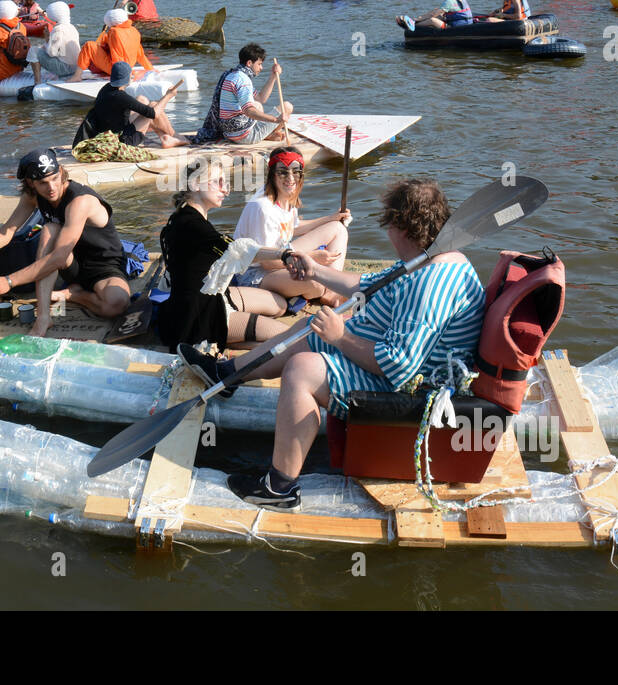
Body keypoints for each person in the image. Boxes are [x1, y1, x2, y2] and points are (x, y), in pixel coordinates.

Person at [179, 179, 487, 509]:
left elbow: (398, 366)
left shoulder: (432, 283)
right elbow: (368, 284)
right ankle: (227, 374)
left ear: (401, 226)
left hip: (416, 391)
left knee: (302, 370)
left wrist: (341, 336)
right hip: (404, 368)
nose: (388, 234)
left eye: (389, 225)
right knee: (309, 327)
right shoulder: (431, 256)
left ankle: (279, 488)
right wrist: (314, 272)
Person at [0, 150, 130, 336]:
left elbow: (58, 258)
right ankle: (44, 317)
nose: (51, 187)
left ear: (61, 172)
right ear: (31, 183)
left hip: (104, 266)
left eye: (55, 178)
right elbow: (8, 230)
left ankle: (72, 295)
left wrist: (9, 281)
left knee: (116, 305)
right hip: (73, 266)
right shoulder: (33, 197)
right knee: (50, 229)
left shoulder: (81, 201)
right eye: (43, 183)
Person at [157, 155, 290, 353]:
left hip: (204, 298)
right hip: (198, 316)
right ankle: (223, 341)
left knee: (279, 305)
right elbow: (238, 250)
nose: (226, 189)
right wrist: (285, 255)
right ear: (195, 184)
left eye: (225, 182)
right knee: (287, 336)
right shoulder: (192, 225)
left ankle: (232, 340)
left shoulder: (183, 216)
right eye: (217, 182)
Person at [232, 147, 350, 305]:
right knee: (314, 281)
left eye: (295, 171)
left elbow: (293, 227)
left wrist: (331, 218)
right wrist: (310, 257)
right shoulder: (262, 208)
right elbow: (267, 263)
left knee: (338, 228)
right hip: (255, 275)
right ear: (272, 173)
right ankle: (324, 288)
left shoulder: (286, 194)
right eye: (283, 171)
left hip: (281, 255)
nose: (290, 177)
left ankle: (330, 292)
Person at [73, 61, 186, 149]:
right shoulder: (120, 96)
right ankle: (174, 136)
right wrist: (168, 96)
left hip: (112, 131)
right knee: (153, 106)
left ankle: (164, 137)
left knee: (142, 99)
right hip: (123, 141)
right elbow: (154, 114)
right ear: (127, 78)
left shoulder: (106, 89)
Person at [194, 43, 291, 145]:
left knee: (258, 105)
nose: (261, 68)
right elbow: (249, 111)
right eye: (259, 64)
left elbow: (261, 98)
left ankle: (266, 133)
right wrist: (275, 119)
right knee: (287, 107)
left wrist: (273, 76)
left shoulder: (231, 74)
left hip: (228, 132)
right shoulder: (243, 80)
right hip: (244, 137)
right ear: (249, 63)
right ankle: (267, 134)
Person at [71, 8, 154, 81]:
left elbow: (116, 55)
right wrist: (150, 68)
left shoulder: (114, 32)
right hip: (128, 67)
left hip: (118, 69)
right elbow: (140, 55)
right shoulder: (134, 31)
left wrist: (121, 75)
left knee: (88, 46)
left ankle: (77, 76)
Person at [398, 0, 472, 31]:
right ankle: (415, 21)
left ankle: (414, 25)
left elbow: (434, 15)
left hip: (456, 28)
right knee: (437, 10)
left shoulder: (449, 1)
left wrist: (424, 19)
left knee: (432, 20)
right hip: (466, 23)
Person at [39, 1, 81, 77]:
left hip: (65, 69)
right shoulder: (72, 27)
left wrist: (47, 38)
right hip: (76, 67)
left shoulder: (58, 29)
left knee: (34, 51)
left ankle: (37, 81)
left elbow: (51, 53)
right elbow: (62, 50)